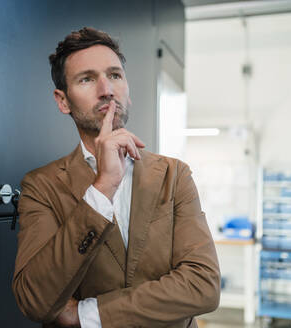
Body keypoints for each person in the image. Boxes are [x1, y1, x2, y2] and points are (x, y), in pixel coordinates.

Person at [12, 27, 220, 328]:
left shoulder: (175, 175)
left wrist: (85, 315)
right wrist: (103, 187)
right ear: (63, 101)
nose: (107, 89)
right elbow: (34, 300)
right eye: (87, 79)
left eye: (115, 75)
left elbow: (204, 286)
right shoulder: (41, 186)